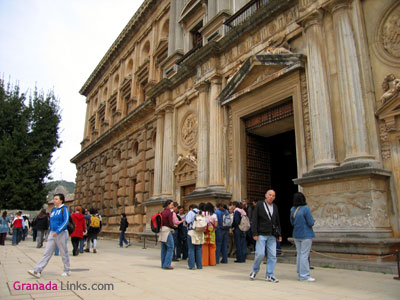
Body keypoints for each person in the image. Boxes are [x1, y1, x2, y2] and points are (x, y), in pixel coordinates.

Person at [28, 193, 71, 278]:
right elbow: (51, 221)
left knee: (63, 253)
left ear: (61, 200)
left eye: (56, 199)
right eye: (54, 199)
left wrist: (58, 231)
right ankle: (37, 270)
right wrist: (50, 231)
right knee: (47, 252)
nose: (54, 200)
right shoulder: (53, 210)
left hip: (61, 233)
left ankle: (67, 269)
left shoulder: (64, 209)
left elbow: (66, 221)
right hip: (52, 233)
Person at [249, 190, 282, 283]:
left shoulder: (275, 207)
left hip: (272, 234)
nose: (271, 197)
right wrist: (254, 233)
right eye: (270, 195)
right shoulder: (260, 204)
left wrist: (279, 234)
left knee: (272, 255)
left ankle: (270, 274)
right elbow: (254, 219)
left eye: (273, 195)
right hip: (261, 234)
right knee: (260, 254)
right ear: (266, 195)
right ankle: (255, 270)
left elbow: (277, 221)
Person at [290, 192, 316, 282]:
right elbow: (310, 222)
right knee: (305, 255)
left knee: (300, 254)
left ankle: (300, 273)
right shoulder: (306, 209)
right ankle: (304, 275)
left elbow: (292, 222)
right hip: (306, 234)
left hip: (296, 234)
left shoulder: (292, 209)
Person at [185, 204, 203, 270]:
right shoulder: (201, 212)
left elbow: (188, 221)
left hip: (192, 232)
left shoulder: (190, 212)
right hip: (200, 232)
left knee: (191, 249)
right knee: (199, 249)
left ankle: (192, 265)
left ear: (191, 208)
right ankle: (199, 265)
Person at [159, 199, 175, 269]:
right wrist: (174, 226)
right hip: (167, 231)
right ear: (168, 205)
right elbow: (171, 223)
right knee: (170, 247)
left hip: (162, 230)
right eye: (172, 204)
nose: (172, 206)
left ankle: (163, 264)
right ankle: (167, 264)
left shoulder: (162, 212)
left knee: (164, 248)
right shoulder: (170, 212)